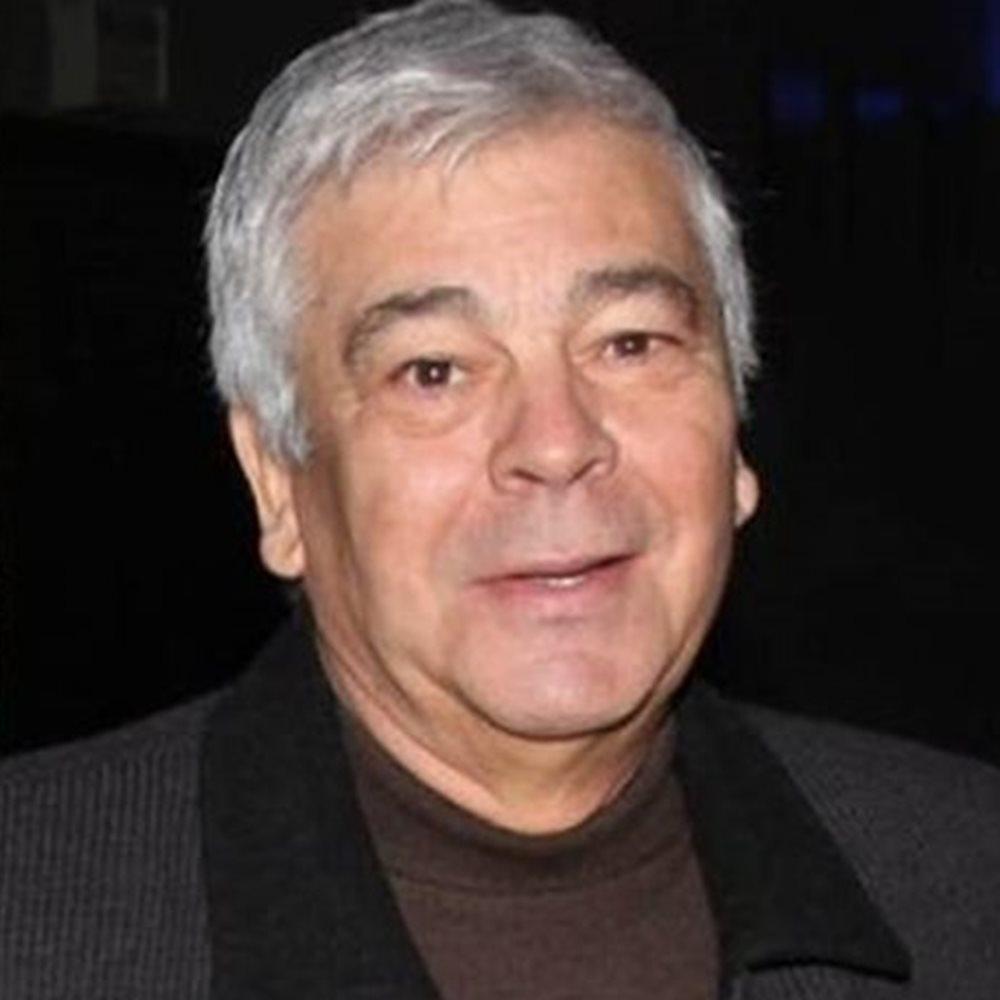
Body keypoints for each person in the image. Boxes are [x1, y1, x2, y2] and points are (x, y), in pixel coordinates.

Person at [2, 2, 998, 998]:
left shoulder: (966, 878)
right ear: (277, 480)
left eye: (630, 343)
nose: (557, 444)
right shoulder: (34, 914)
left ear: (733, 431)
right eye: (433, 371)